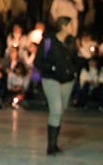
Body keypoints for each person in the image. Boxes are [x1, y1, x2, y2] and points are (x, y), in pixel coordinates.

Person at [34, 16, 79, 155]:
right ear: (64, 26)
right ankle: (51, 146)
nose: (74, 28)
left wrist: (73, 71)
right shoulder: (48, 41)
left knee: (61, 109)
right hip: (51, 78)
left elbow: (75, 60)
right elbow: (38, 61)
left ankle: (55, 143)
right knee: (56, 110)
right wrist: (53, 68)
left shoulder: (71, 42)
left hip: (67, 79)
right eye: (71, 25)